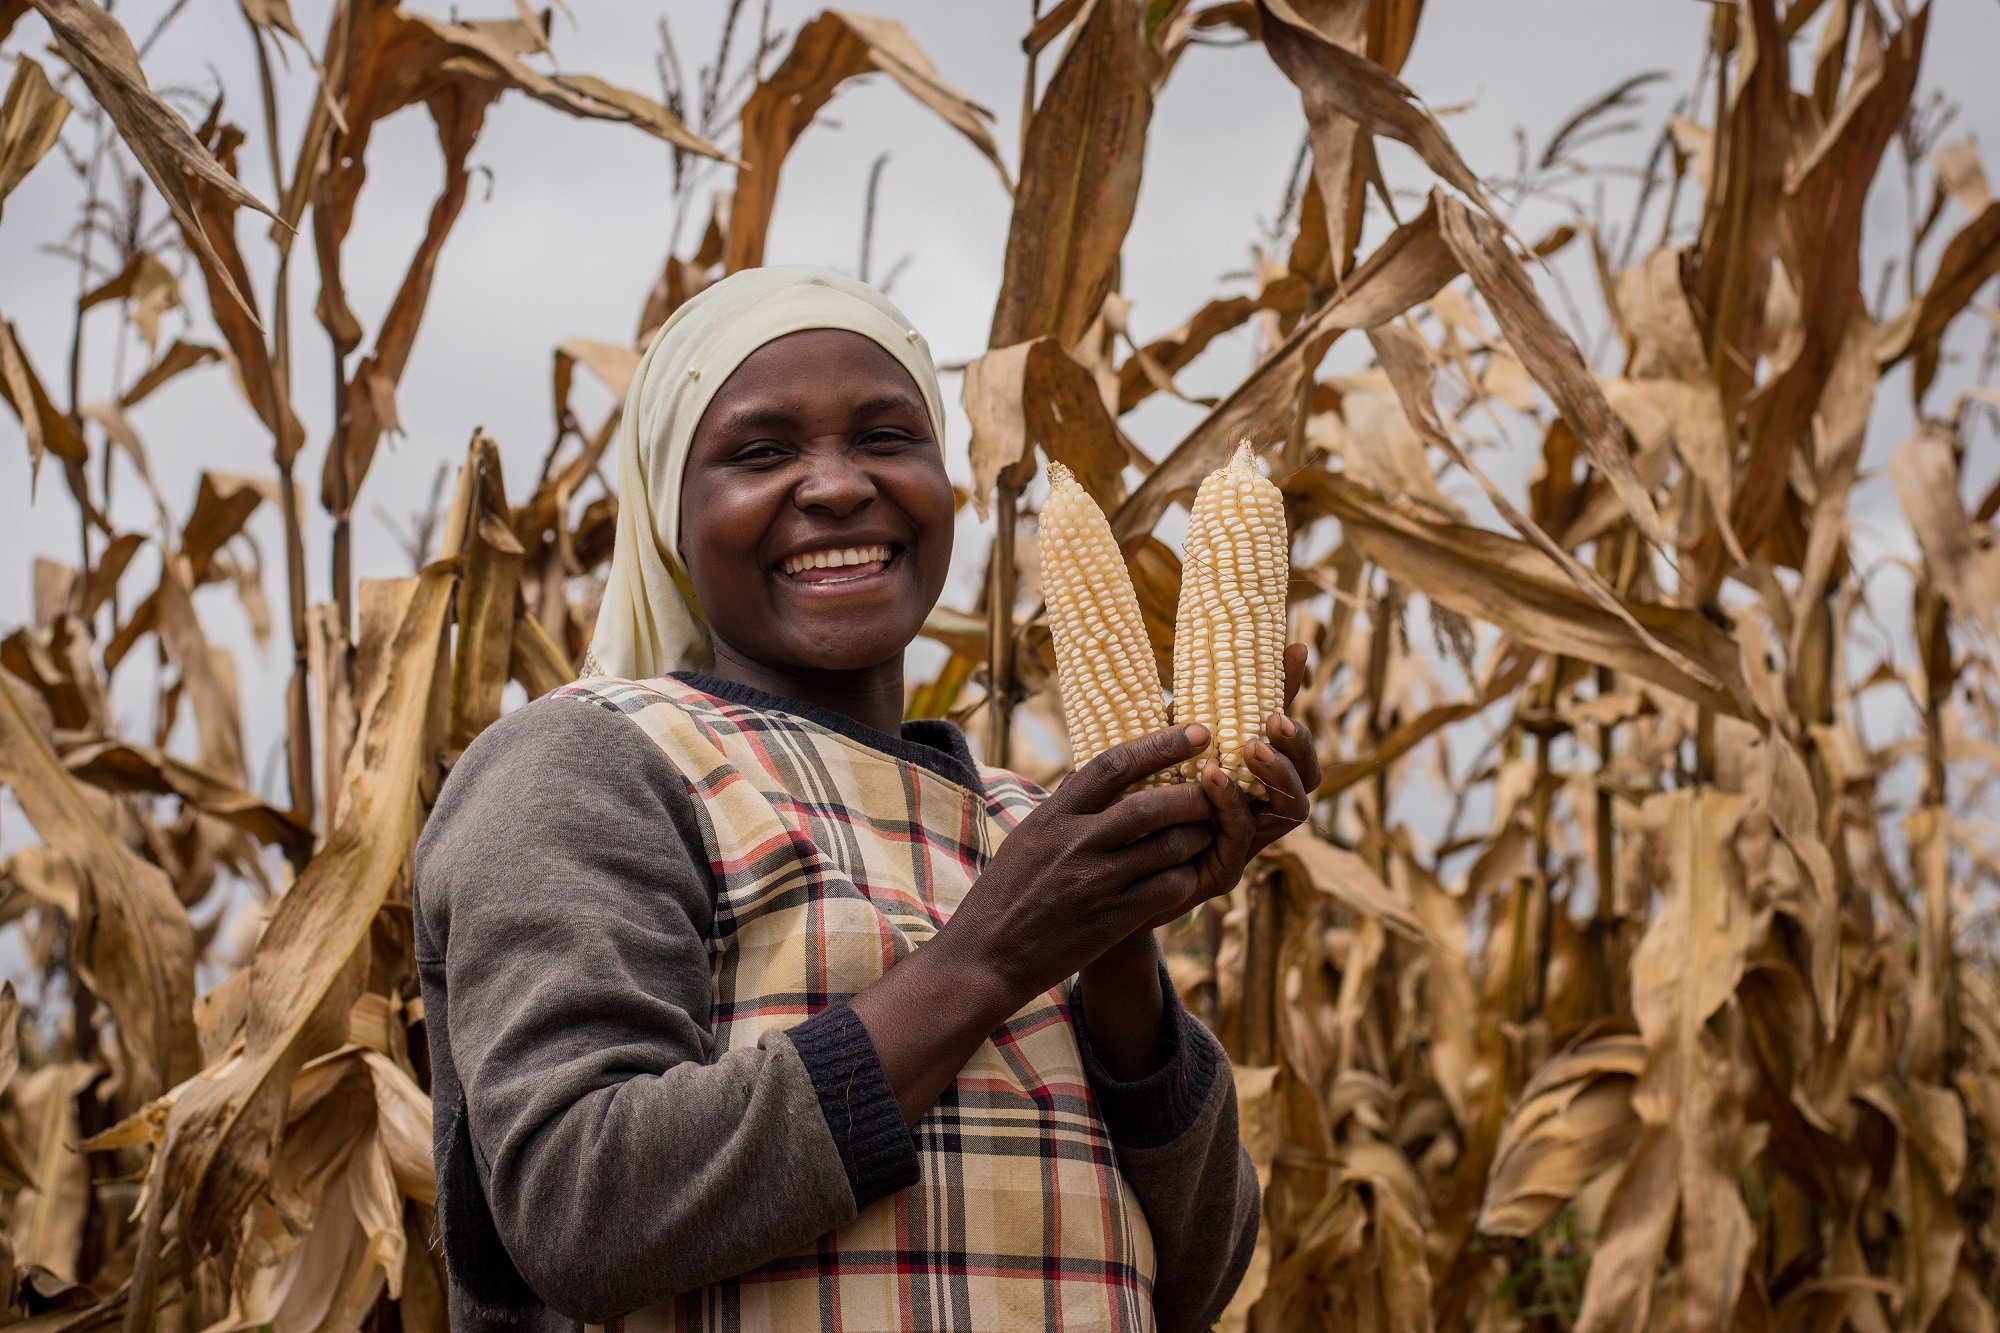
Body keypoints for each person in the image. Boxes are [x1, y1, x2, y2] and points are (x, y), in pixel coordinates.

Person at [414, 266, 1322, 1332]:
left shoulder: (1025, 819)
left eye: (888, 437)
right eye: (761, 452)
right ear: (669, 515)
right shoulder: (590, 761)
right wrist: (991, 957)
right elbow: (579, 1209)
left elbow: (1192, 1279)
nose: (839, 486)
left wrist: (1119, 938)